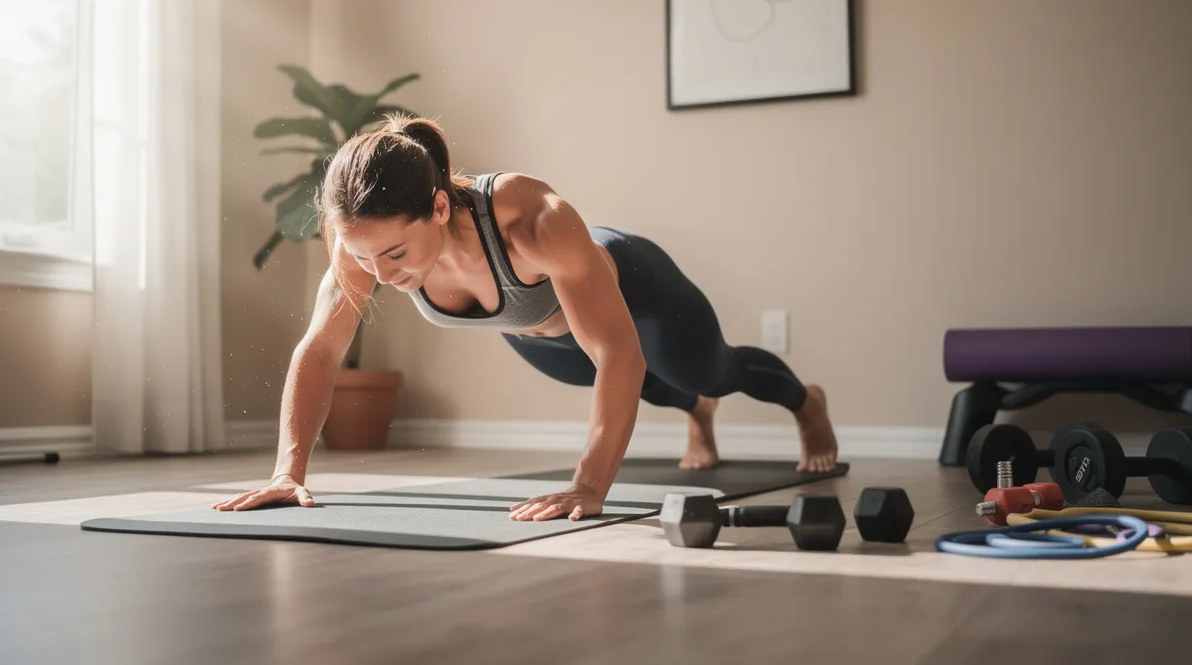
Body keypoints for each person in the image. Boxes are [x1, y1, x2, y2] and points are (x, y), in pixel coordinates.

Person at [212, 115, 838, 522]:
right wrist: (285, 473)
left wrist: (589, 486)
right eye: (361, 255)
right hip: (535, 331)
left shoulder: (531, 219)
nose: (378, 275)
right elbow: (319, 352)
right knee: (651, 386)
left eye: (395, 254)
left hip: (638, 289)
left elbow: (618, 352)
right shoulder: (363, 244)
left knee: (706, 367)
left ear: (436, 207)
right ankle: (696, 413)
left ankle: (804, 402)